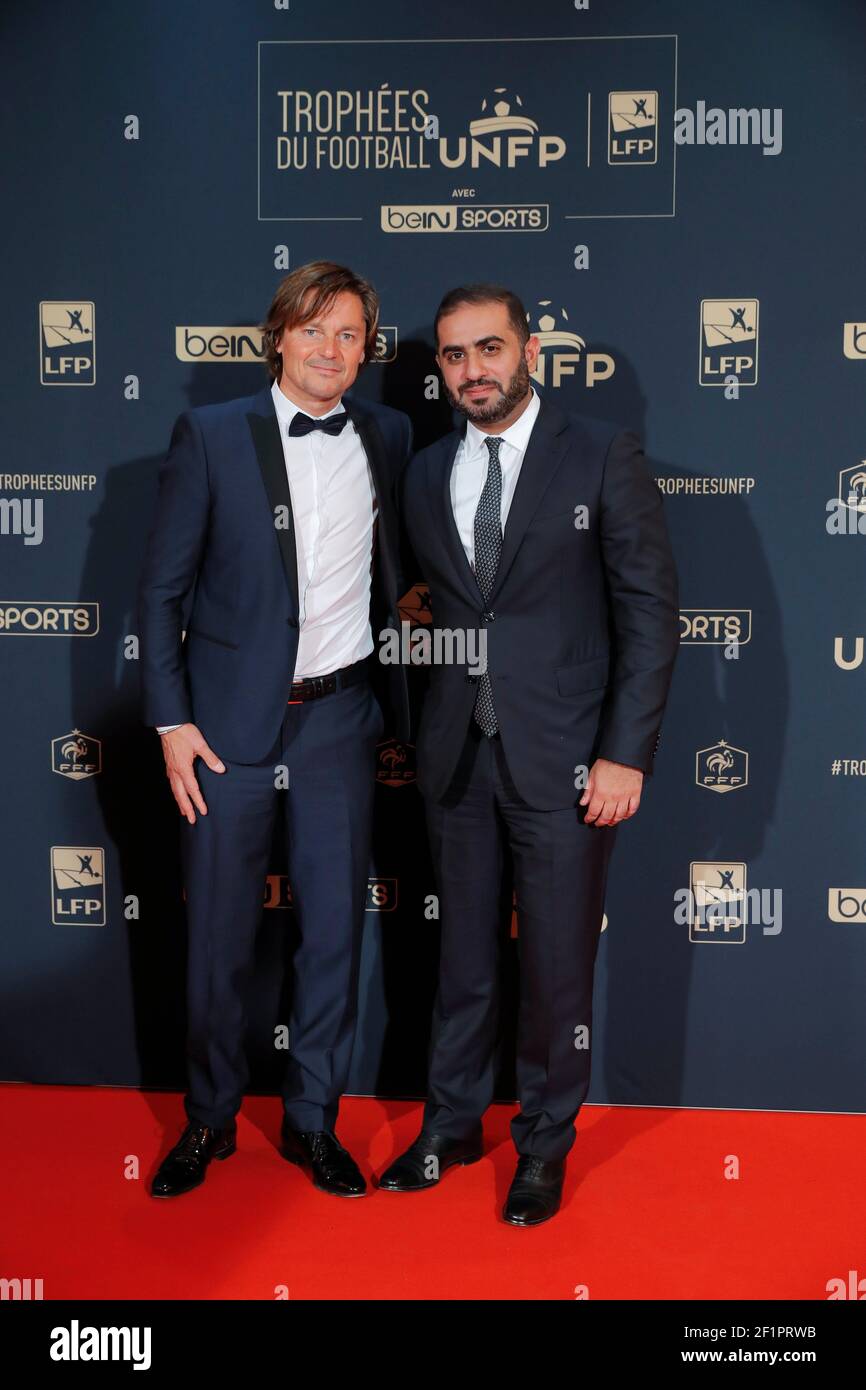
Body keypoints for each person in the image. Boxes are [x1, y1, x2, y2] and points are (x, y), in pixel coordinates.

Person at [381, 284, 679, 1225]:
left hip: (569, 762)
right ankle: (452, 1124)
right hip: (456, 763)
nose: (474, 370)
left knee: (555, 971)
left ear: (530, 349)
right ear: (441, 369)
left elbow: (648, 615)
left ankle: (543, 1144)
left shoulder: (600, 454)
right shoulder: (426, 473)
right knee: (461, 964)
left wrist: (625, 753)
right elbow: (422, 613)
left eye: (490, 349)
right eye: (455, 356)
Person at [137, 261, 410, 1198]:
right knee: (216, 940)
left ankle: (312, 1122)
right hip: (224, 732)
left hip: (339, 721)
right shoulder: (210, 436)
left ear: (365, 350)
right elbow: (163, 591)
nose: (332, 350)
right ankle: (208, 1121)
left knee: (333, 932)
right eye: (314, 330)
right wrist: (172, 720)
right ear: (279, 336)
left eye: (350, 336)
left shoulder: (390, 433)